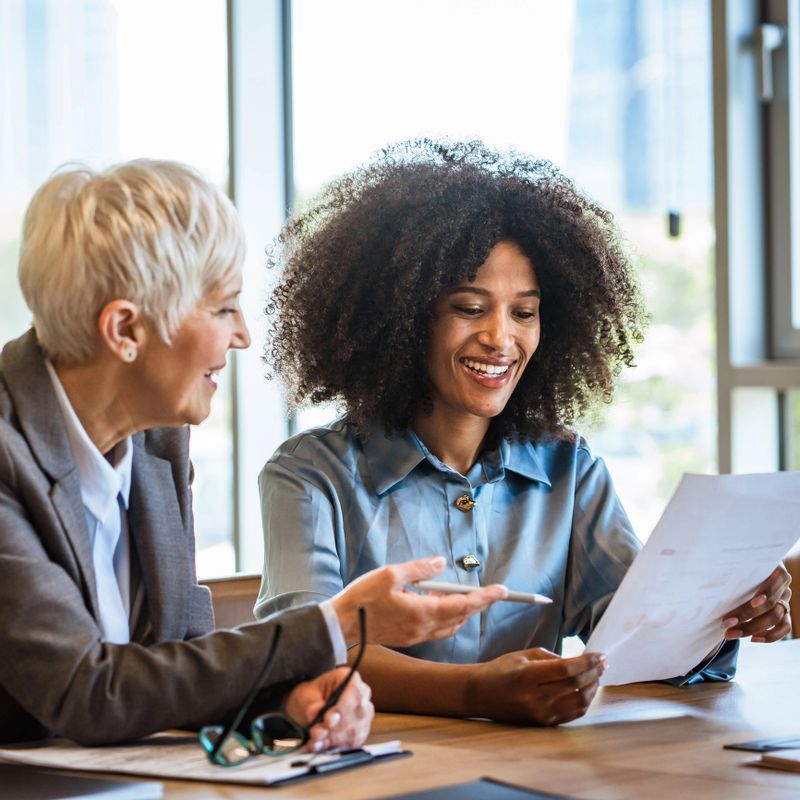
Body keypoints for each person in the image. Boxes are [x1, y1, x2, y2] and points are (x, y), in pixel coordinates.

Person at [256, 139, 793, 726]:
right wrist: (474, 693)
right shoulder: (309, 474)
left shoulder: (570, 470)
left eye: (524, 312)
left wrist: (723, 617)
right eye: (469, 307)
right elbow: (299, 651)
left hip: (532, 769)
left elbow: (637, 638)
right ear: (404, 322)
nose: (499, 338)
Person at [0, 159, 506, 747]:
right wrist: (336, 622)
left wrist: (289, 700)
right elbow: (88, 693)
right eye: (222, 308)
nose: (242, 334)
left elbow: (173, 662)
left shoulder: (156, 441)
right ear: (125, 331)